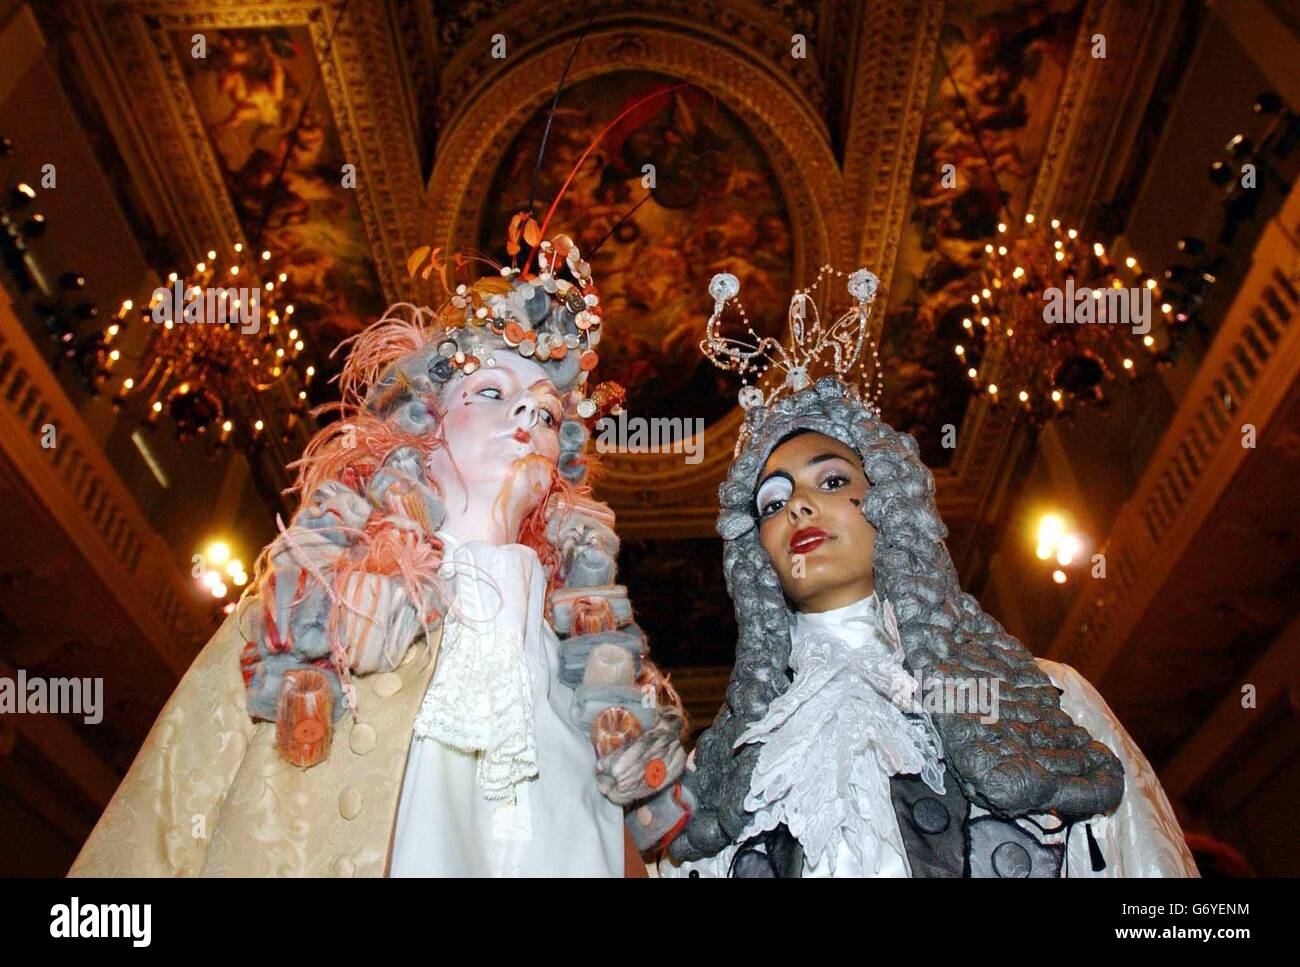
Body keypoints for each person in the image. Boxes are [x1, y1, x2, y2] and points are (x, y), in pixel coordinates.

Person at [69, 234, 685, 877]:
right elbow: (170, 806)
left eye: (548, 411)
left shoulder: (591, 683)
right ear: (426, 420)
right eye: (493, 393)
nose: (527, 418)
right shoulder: (316, 602)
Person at [650, 269, 1198, 877]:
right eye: (772, 503)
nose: (798, 508)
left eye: (832, 482)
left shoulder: (1048, 699)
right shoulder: (721, 772)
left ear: (889, 503)